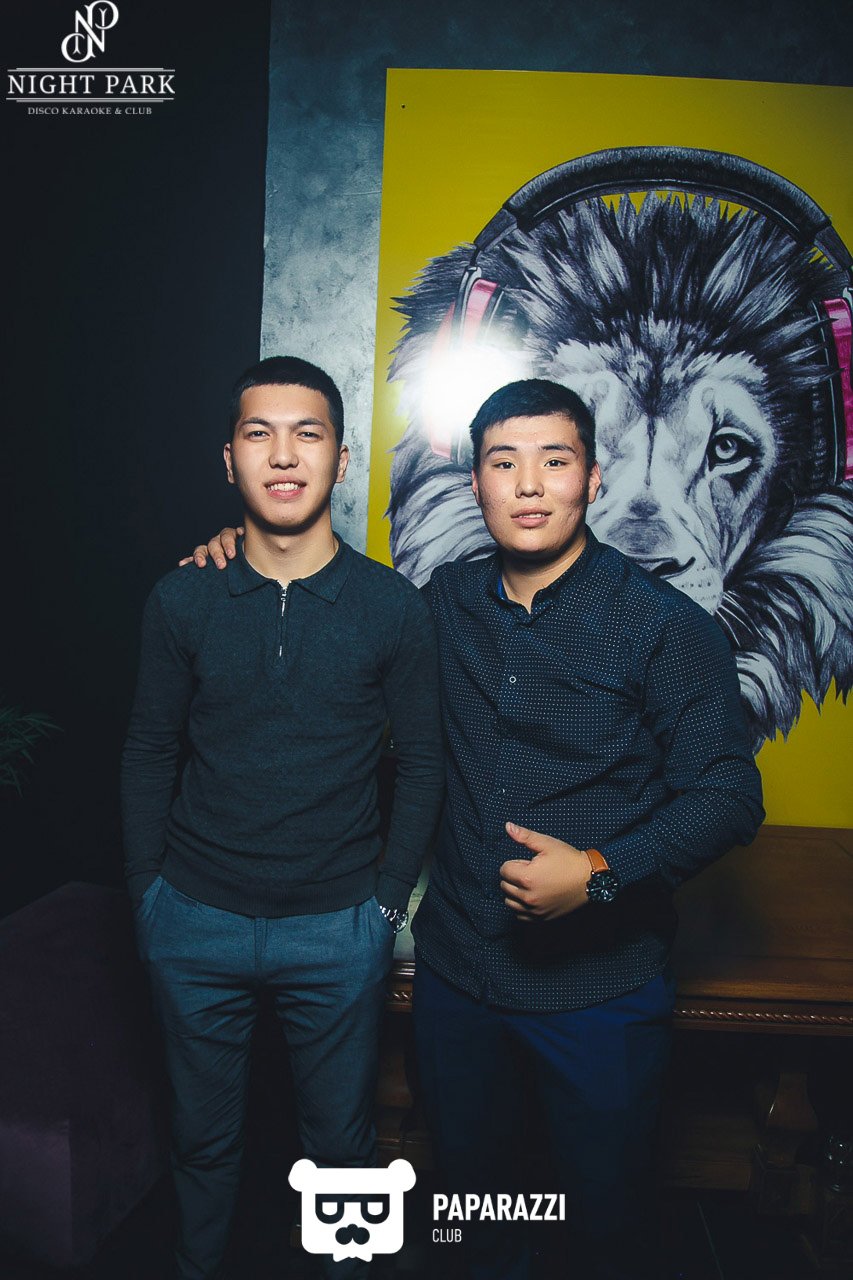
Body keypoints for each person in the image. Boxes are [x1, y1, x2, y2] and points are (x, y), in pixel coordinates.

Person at [191, 378, 764, 1280]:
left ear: (593, 478)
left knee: (605, 1225)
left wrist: (600, 871)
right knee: (470, 1213)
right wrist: (240, 552)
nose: (528, 484)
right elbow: (327, 609)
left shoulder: (665, 628)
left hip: (599, 994)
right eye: (504, 462)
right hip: (457, 983)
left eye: (554, 460)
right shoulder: (439, 603)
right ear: (476, 484)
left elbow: (728, 793)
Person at [122, 356, 444, 1280]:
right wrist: (147, 897)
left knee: (341, 1152)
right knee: (200, 1143)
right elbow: (148, 750)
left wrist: (382, 907)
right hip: (193, 920)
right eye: (258, 433)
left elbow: (424, 763)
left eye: (308, 434)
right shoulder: (183, 596)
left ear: (341, 460)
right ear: (229, 459)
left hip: (336, 927)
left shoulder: (392, 607)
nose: (284, 454)